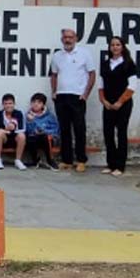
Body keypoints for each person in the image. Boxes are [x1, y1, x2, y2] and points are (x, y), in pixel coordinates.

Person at [50, 27, 96, 172]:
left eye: (70, 37)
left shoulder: (84, 54)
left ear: (76, 38)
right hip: (61, 96)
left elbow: (92, 74)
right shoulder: (57, 55)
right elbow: (54, 75)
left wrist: (86, 94)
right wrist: (54, 92)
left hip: (77, 96)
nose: (68, 40)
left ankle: (81, 160)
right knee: (64, 130)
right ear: (61, 39)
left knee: (79, 129)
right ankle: (67, 160)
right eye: (65, 37)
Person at [98, 36, 138, 177]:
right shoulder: (104, 64)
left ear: (122, 47)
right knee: (108, 134)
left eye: (118, 44)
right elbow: (101, 85)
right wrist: (104, 101)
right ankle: (111, 163)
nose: (115, 47)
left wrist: (120, 102)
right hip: (108, 104)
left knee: (121, 134)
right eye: (112, 45)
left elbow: (132, 86)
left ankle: (120, 166)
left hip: (123, 104)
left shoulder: (129, 64)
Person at [25, 92, 59, 170]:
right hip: (34, 138)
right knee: (30, 137)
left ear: (43, 105)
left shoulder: (49, 116)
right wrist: (30, 122)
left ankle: (50, 161)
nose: (36, 104)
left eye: (39, 102)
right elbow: (27, 130)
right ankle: (35, 160)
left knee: (44, 137)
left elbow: (55, 130)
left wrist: (44, 131)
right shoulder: (28, 115)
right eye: (34, 102)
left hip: (48, 138)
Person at [0, 93, 27, 171]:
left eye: (10, 103)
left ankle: (18, 160)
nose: (8, 106)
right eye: (6, 104)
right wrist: (6, 129)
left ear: (14, 104)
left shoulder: (18, 113)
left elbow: (21, 128)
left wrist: (10, 129)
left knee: (21, 135)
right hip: (4, 138)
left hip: (15, 137)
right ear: (3, 105)